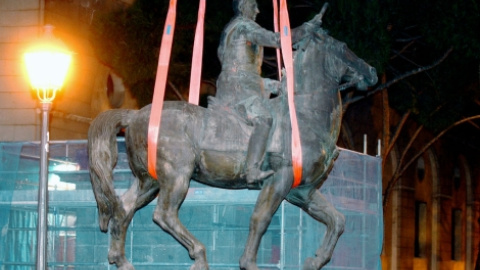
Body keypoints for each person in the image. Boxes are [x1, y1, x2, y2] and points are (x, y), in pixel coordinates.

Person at [212, 0, 323, 186]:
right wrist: (306, 28)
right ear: (243, 6)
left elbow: (244, 71)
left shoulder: (231, 30)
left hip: (240, 84)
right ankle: (252, 170)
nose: (257, 10)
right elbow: (277, 40)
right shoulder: (244, 26)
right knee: (265, 118)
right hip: (237, 88)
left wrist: (276, 86)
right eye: (253, 5)